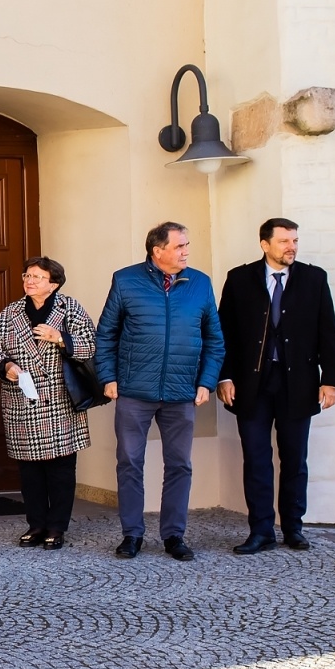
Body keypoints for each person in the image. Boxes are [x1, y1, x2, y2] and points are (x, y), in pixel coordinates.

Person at [95, 221, 224, 561]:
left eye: (186, 245)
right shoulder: (125, 280)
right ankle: (132, 535)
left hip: (182, 393)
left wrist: (206, 382)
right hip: (134, 392)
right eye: (180, 246)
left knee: (180, 464)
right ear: (158, 250)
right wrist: (108, 377)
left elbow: (215, 339)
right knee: (129, 462)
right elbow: (105, 333)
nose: (186, 251)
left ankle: (173, 536)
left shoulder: (200, 283)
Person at [217, 218, 335, 555]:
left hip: (298, 384)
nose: (292, 247)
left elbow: (327, 331)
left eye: (295, 241)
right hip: (251, 385)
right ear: (265, 244)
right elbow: (223, 332)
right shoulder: (240, 279)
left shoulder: (313, 279)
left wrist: (331, 380)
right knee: (256, 459)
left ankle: (293, 528)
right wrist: (223, 376)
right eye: (285, 241)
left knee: (294, 459)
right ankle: (260, 531)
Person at [0, 257, 97, 549]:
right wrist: (6, 367)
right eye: (26, 275)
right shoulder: (10, 313)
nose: (29, 281)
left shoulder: (70, 309)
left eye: (36, 276)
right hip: (22, 398)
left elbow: (91, 345)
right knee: (30, 470)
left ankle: (56, 527)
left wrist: (60, 338)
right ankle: (35, 524)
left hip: (60, 400)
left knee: (61, 468)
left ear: (54, 283)